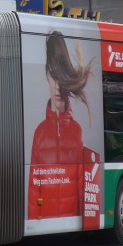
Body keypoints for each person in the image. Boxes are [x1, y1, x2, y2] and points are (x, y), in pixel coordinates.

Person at [28, 31, 96, 220]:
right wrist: (35, 225)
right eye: (52, 74)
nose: (57, 85)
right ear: (46, 75)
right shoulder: (39, 134)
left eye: (61, 75)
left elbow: (84, 189)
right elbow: (34, 193)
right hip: (45, 224)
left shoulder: (77, 132)